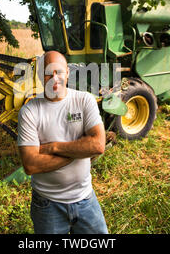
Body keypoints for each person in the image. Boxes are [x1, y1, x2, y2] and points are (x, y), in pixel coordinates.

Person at [17, 50, 108, 234]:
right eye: (48, 72)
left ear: (67, 72)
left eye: (58, 71)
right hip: (47, 203)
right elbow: (30, 165)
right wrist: (79, 151)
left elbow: (97, 145)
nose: (54, 77)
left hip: (85, 199)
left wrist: (53, 147)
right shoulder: (30, 111)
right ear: (40, 77)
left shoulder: (85, 101)